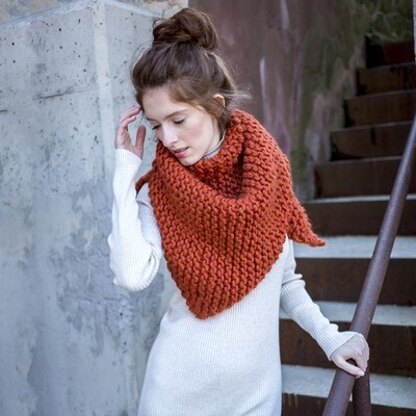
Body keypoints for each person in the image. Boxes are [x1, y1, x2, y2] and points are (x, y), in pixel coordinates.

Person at [108, 7, 369, 416]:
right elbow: (131, 274)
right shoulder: (159, 191)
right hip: (176, 391)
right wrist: (125, 172)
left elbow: (285, 281)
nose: (168, 138)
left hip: (256, 394)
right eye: (156, 125)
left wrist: (330, 338)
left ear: (214, 105)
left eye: (178, 119)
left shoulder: (267, 175)